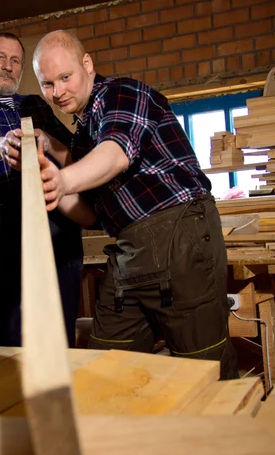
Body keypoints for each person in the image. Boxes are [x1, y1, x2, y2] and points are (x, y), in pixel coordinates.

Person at [32, 29, 238, 379]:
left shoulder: (122, 93)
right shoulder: (83, 138)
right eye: (47, 84)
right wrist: (50, 189)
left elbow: (117, 153)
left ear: (87, 63)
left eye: (65, 77)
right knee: (106, 367)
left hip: (181, 237)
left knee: (203, 368)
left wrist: (64, 178)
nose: (58, 92)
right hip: (129, 250)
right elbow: (90, 214)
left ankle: (224, 432)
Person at [0, 31, 95, 350]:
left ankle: (59, 384)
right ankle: (6, 391)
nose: (7, 66)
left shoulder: (35, 105)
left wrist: (46, 140)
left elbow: (68, 148)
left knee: (61, 312)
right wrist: (3, 146)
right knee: (4, 322)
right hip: (1, 214)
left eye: (15, 61)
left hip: (54, 212)